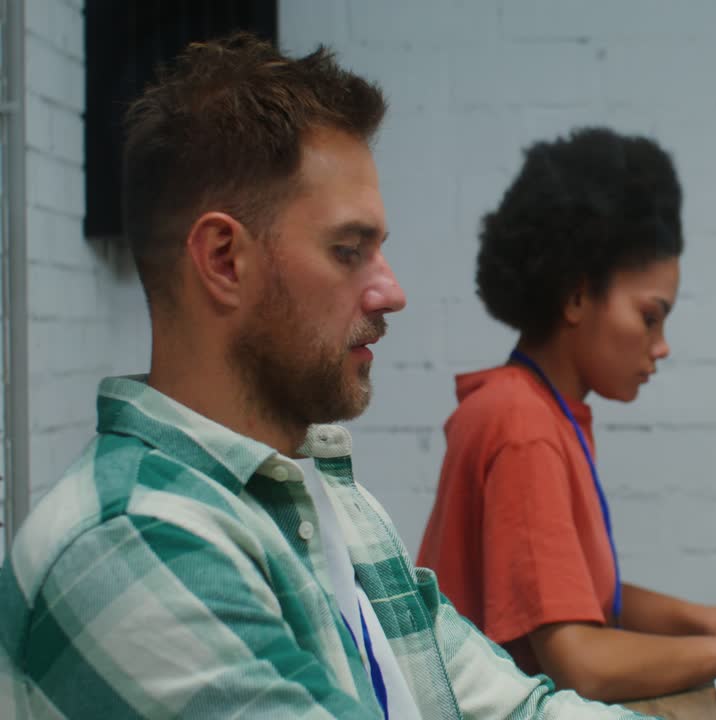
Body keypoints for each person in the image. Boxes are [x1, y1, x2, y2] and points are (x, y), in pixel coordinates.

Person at [0, 35, 646, 720]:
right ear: (224, 260)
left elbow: (517, 712)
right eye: (348, 251)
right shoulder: (132, 540)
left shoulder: (322, 491)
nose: (391, 292)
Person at [416, 127, 716, 702]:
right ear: (575, 297)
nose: (662, 344)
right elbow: (581, 664)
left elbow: (583, 599)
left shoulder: (535, 406)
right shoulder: (523, 426)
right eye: (651, 317)